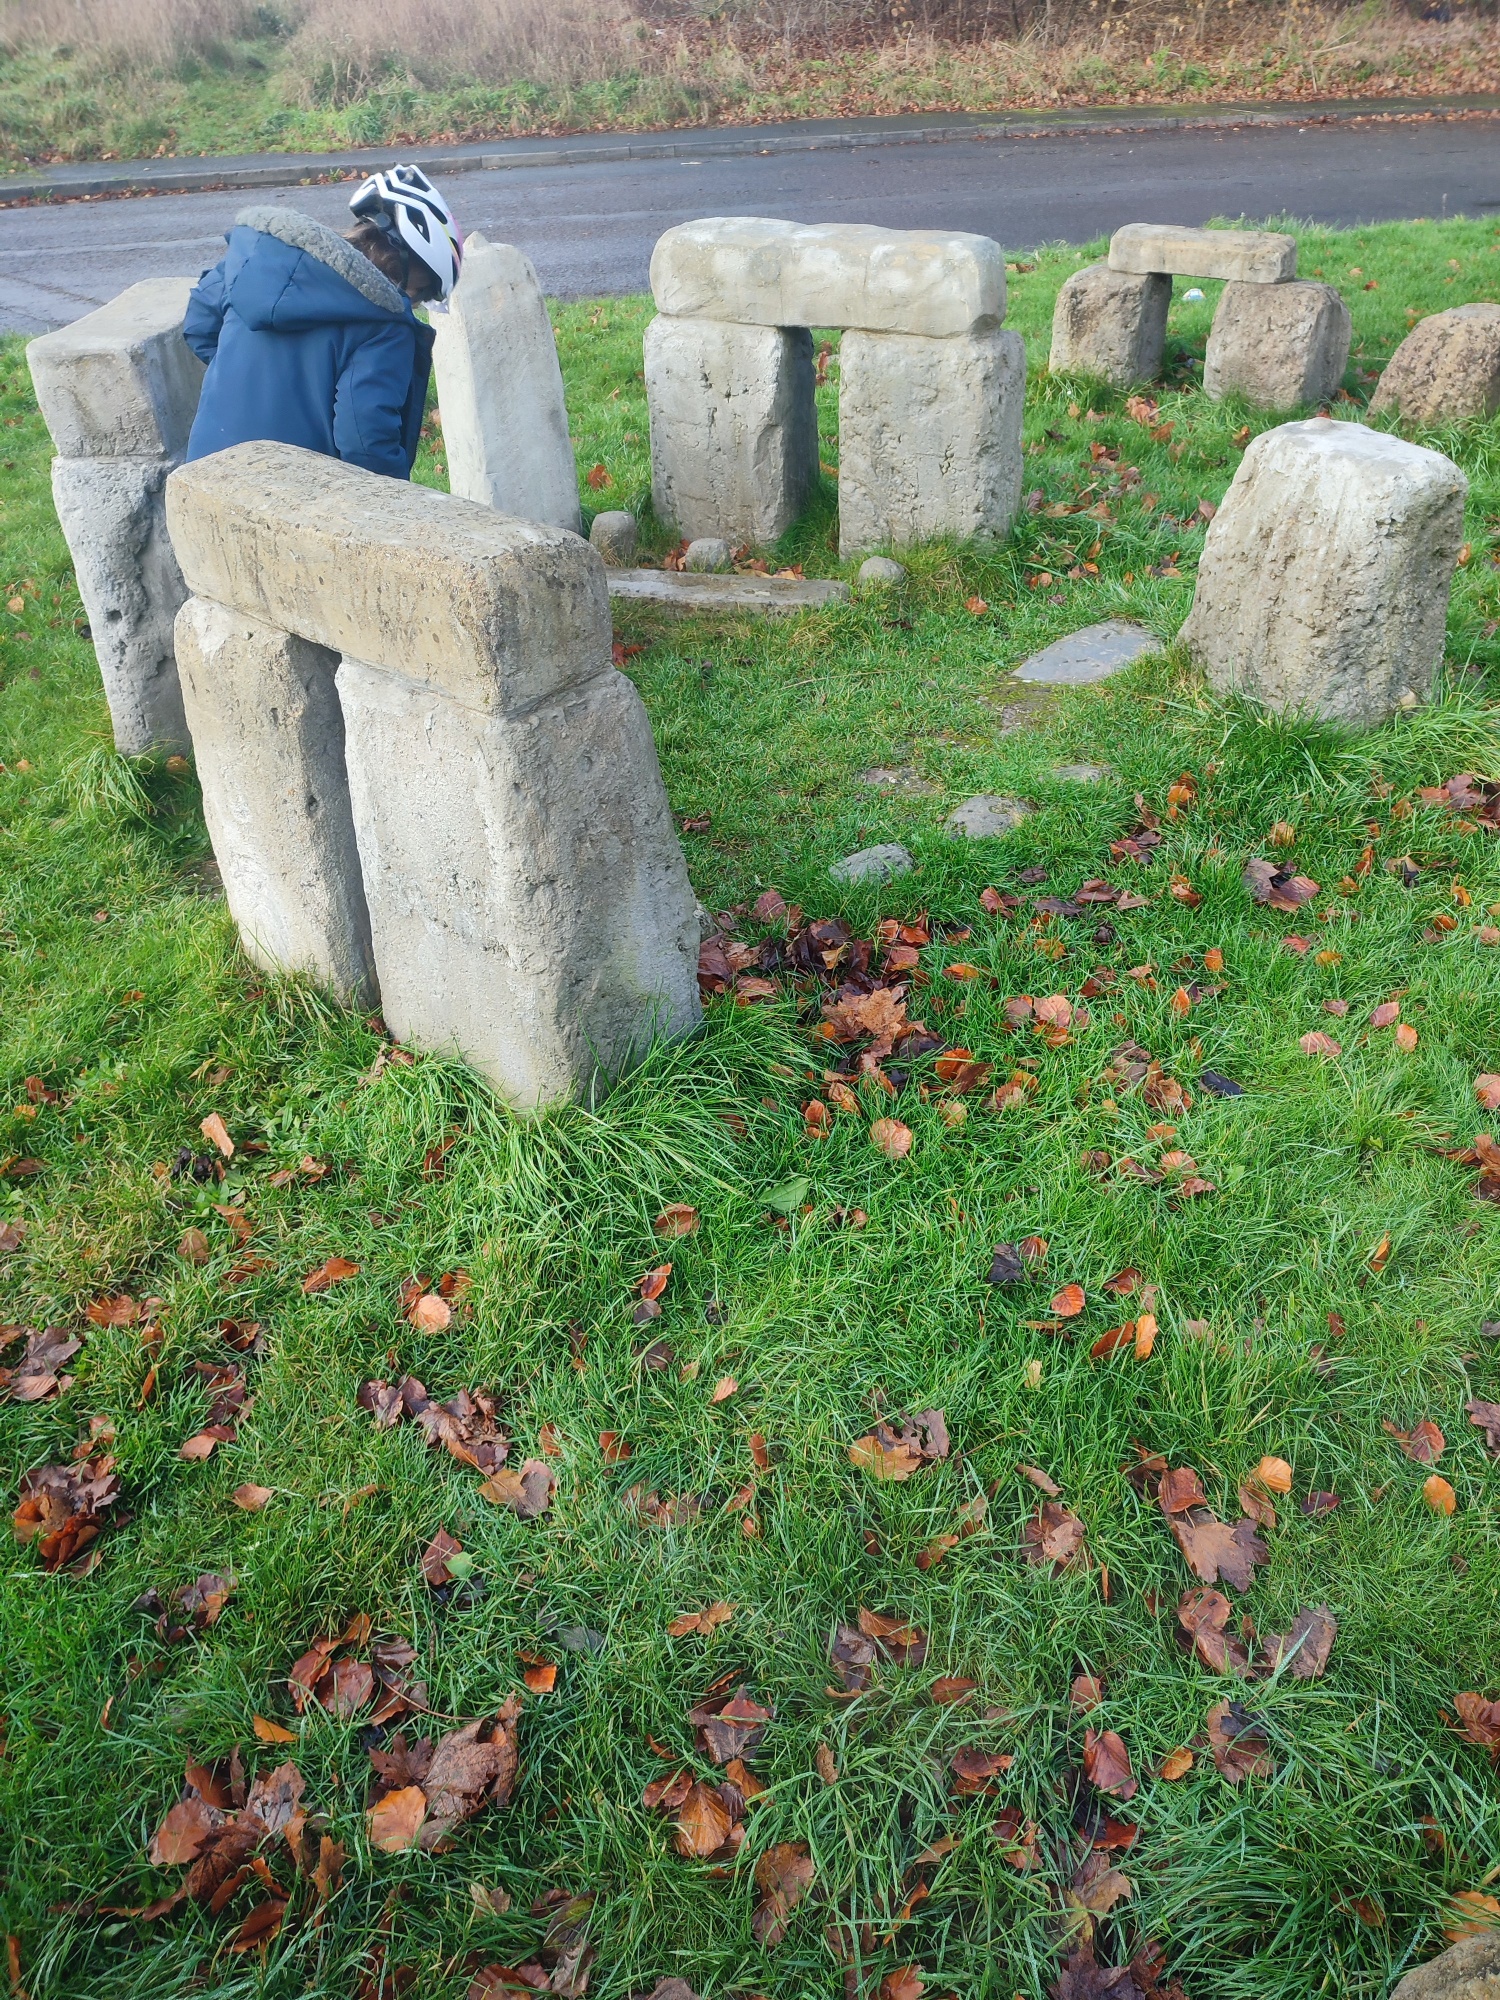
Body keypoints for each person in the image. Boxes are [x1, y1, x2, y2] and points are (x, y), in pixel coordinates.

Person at [182, 166, 462, 481]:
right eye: (419, 294)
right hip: (289, 499)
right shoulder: (385, 325)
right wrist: (401, 503)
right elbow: (365, 441)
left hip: (202, 479)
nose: (411, 306)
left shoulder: (257, 259)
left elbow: (199, 326)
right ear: (403, 274)